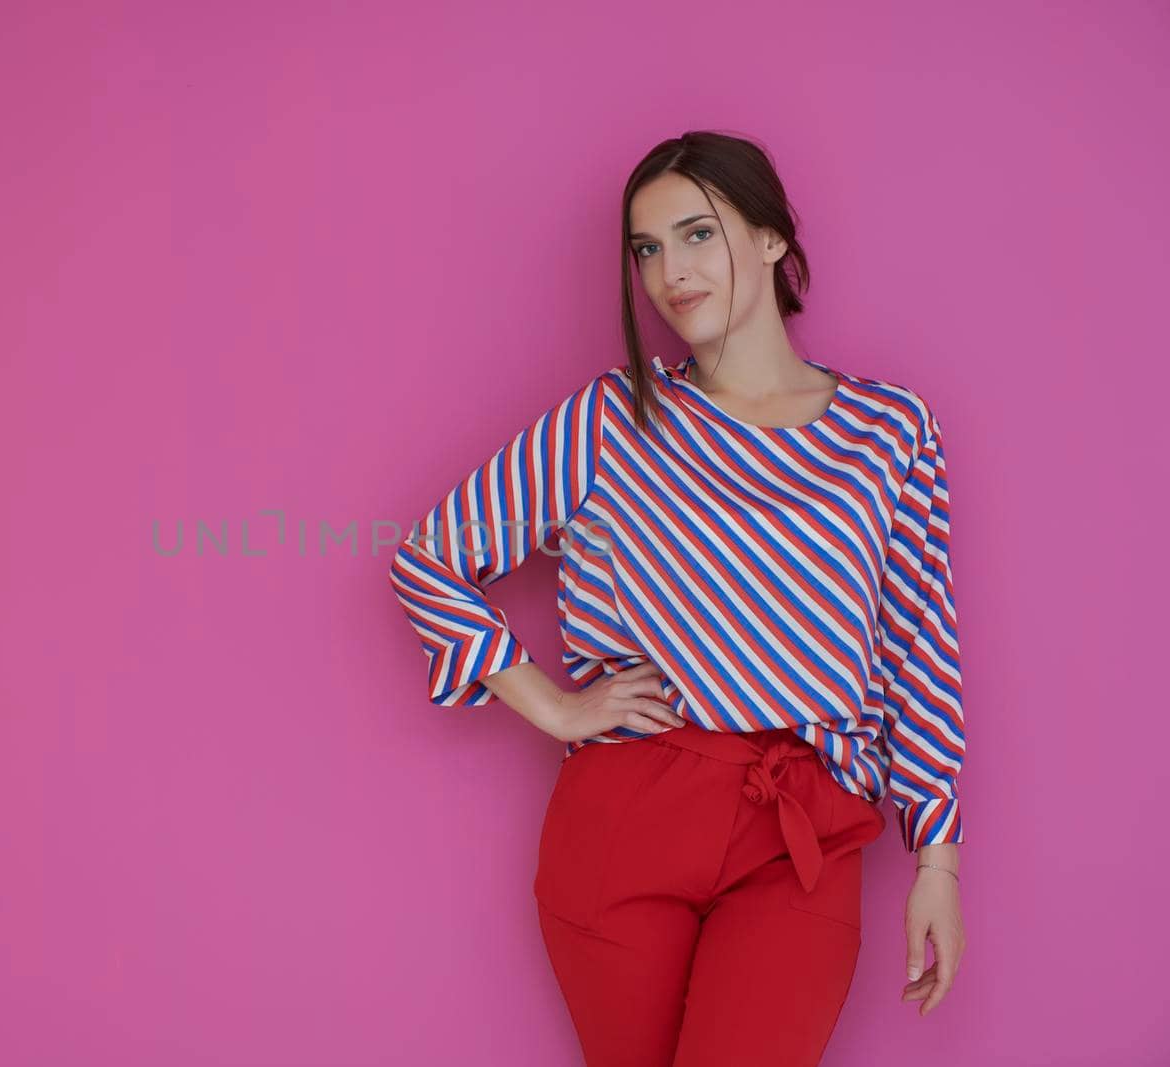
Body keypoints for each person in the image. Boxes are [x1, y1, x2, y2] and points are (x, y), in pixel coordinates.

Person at [387, 131, 967, 1067]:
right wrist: (554, 703)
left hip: (802, 828)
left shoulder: (889, 430)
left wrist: (937, 858)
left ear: (773, 237)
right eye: (647, 249)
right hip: (627, 816)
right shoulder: (619, 415)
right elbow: (431, 558)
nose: (670, 273)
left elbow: (917, 640)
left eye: (698, 234)